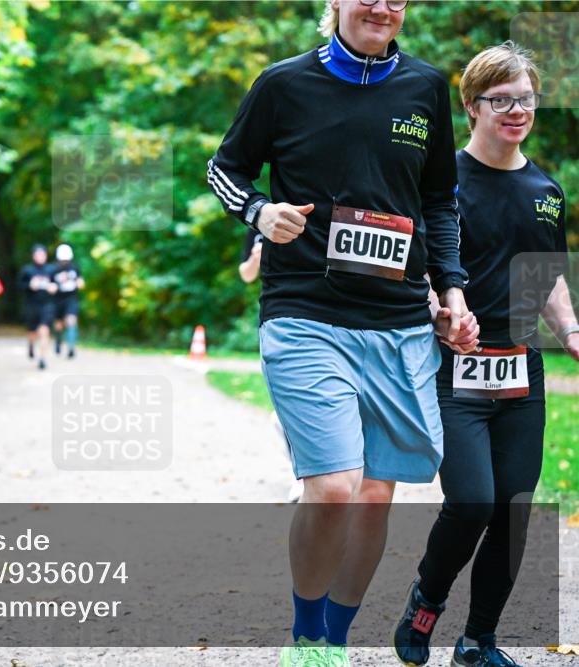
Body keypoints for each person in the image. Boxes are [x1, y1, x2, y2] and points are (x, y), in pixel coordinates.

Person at [206, 1, 480, 665]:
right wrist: (258, 210)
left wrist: (451, 292)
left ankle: (334, 635)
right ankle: (306, 636)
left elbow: (439, 201)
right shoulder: (283, 83)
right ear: (334, 2)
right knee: (333, 485)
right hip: (303, 309)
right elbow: (223, 169)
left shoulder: (424, 88)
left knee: (375, 494)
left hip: (397, 320)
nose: (382, 6)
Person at [393, 42, 576, 667]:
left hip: (522, 369)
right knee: (472, 500)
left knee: (513, 509)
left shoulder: (545, 190)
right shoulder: (440, 184)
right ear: (471, 107)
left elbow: (545, 278)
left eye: (525, 98)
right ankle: (426, 602)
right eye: (501, 100)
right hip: (454, 368)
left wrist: (572, 332)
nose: (516, 110)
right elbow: (416, 267)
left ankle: (478, 642)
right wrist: (438, 311)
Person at [239, 229, 305, 504]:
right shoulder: (260, 221)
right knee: (290, 411)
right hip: (280, 321)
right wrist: (256, 258)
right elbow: (246, 274)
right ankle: (302, 476)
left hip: (320, 313)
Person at [18, 244, 57, 370]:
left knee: (44, 330)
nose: (40, 257)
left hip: (47, 305)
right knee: (32, 332)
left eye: (43, 254)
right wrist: (29, 285)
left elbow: (59, 284)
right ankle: (31, 344)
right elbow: (18, 286)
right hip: (31, 305)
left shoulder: (52, 269)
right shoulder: (27, 270)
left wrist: (54, 287)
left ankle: (42, 358)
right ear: (33, 256)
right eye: (38, 254)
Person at [52, 244, 85, 359]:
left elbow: (81, 282)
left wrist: (78, 283)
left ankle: (71, 347)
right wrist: (57, 283)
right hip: (58, 299)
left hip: (71, 299)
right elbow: (50, 286)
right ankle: (58, 340)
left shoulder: (74, 268)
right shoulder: (54, 269)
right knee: (58, 324)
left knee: (71, 321)